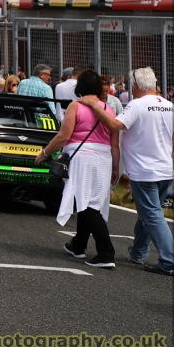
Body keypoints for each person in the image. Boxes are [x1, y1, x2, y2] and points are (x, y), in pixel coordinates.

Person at [79, 67, 174, 276]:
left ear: (135, 85)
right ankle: (138, 252)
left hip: (144, 171)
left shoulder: (136, 105)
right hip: (165, 169)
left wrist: (95, 106)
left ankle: (170, 261)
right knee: (149, 212)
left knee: (152, 214)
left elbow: (115, 124)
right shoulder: (171, 106)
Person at [35, 69, 119, 269]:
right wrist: (116, 167)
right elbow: (114, 143)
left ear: (79, 87)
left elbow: (64, 136)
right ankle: (78, 245)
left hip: (82, 157)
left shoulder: (75, 106)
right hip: (104, 156)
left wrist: (45, 153)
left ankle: (106, 252)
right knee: (91, 201)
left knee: (87, 204)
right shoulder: (109, 109)